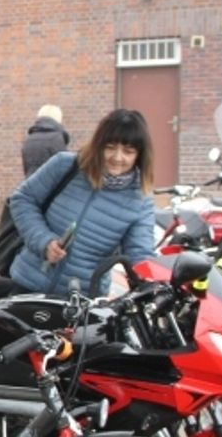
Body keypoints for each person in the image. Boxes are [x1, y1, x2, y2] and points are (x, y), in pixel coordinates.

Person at [8, 108, 155, 296]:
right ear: (98, 145)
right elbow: (23, 199)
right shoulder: (65, 166)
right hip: (29, 283)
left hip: (83, 300)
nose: (117, 157)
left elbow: (139, 254)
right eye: (110, 147)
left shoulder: (140, 200)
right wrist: (44, 242)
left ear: (139, 155)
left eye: (128, 151)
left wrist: (150, 283)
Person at [21, 104, 70, 177]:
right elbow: (65, 167)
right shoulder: (56, 138)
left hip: (31, 185)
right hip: (52, 186)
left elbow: (26, 169)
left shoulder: (29, 140)